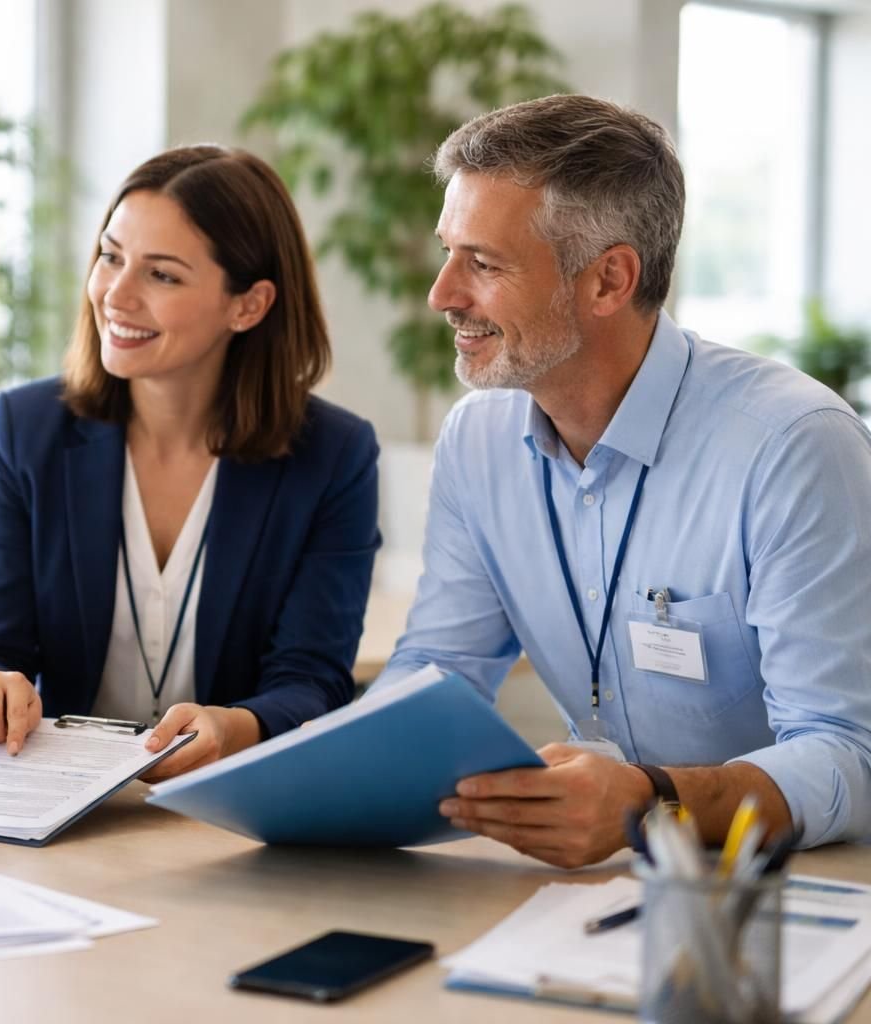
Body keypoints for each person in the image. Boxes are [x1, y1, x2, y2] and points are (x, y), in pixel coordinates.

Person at [367, 94, 871, 867]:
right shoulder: (478, 441)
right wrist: (319, 774)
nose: (442, 294)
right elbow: (437, 674)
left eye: (483, 262)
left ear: (608, 281)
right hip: (604, 885)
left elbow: (848, 755)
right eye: (447, 252)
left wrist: (651, 800)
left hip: (792, 886)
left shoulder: (793, 446)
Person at [0, 145, 380, 780]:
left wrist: (237, 726)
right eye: (110, 257)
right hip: (53, 801)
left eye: (162, 275)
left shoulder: (334, 456)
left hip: (231, 802)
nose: (115, 295)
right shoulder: (25, 429)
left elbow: (312, 679)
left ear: (248, 305)